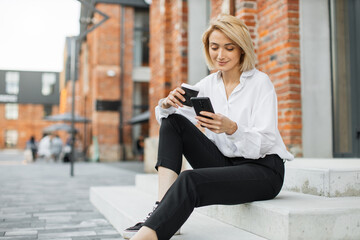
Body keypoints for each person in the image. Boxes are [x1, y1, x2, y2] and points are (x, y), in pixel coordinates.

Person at [124, 14, 294, 240]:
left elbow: (265, 143)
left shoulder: (260, 83)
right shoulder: (207, 85)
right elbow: (170, 120)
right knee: (172, 121)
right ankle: (161, 208)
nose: (220, 55)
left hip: (263, 170)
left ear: (242, 49)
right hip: (224, 163)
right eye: (214, 47)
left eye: (229, 48)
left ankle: (148, 235)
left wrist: (232, 128)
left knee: (189, 179)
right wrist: (166, 104)